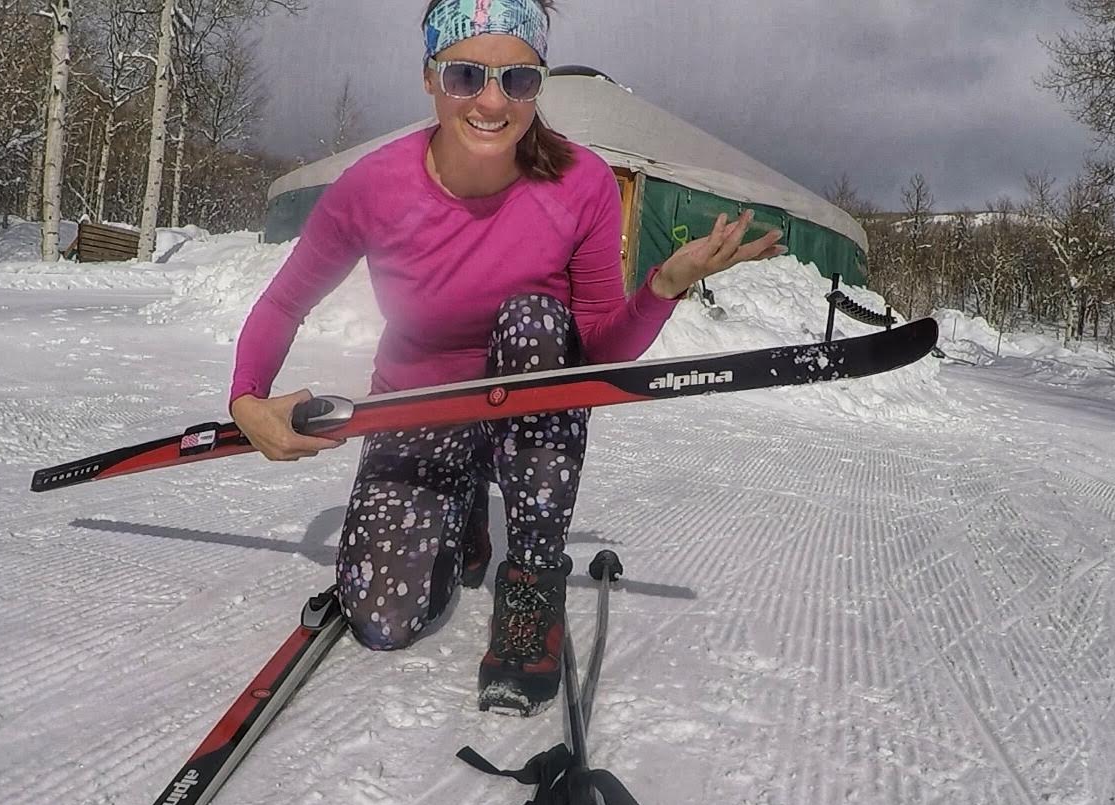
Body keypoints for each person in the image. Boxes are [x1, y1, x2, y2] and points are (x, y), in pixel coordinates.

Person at [229, 0, 786, 714]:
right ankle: (458, 511)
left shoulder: (580, 184)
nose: (491, 101)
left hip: (524, 412)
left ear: (538, 83)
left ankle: (530, 575)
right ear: (429, 78)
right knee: (379, 619)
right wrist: (248, 399)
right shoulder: (372, 187)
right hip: (417, 408)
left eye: (517, 81)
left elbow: (594, 357)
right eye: (465, 75)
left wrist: (663, 287)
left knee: (535, 318)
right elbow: (282, 303)